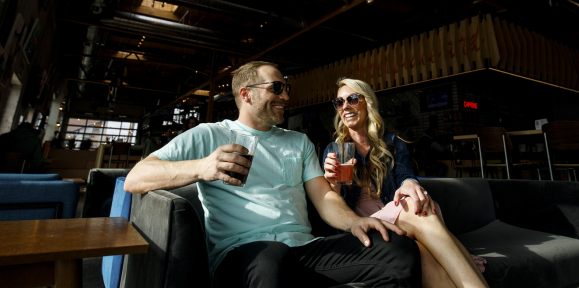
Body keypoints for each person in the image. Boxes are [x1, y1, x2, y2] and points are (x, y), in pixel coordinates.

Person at [124, 61, 421, 288]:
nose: (286, 96)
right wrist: (202, 167)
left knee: (400, 250)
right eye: (276, 88)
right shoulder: (210, 135)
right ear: (246, 94)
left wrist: (355, 221)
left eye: (286, 88)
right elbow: (136, 177)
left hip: (304, 251)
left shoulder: (298, 142)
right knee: (272, 259)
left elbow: (326, 196)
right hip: (246, 255)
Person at [322, 78, 489, 288]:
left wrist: (410, 182)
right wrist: (334, 184)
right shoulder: (333, 150)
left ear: (368, 103)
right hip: (360, 228)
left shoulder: (391, 142)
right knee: (414, 209)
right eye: (339, 102)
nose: (345, 106)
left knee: (420, 248)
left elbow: (405, 176)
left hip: (396, 222)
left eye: (352, 99)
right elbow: (333, 208)